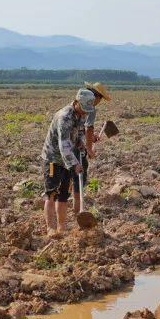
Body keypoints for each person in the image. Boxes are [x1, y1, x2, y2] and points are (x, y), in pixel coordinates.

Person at [41, 89, 96, 236]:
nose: (85, 113)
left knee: (64, 194)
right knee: (52, 193)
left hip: (68, 159)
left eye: (87, 111)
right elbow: (64, 144)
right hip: (54, 158)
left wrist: (82, 144)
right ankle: (50, 228)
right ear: (76, 102)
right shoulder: (64, 117)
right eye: (84, 109)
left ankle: (62, 227)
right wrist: (75, 163)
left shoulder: (81, 115)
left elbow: (78, 134)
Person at [72, 82, 112, 214]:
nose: (99, 102)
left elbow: (82, 128)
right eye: (100, 99)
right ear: (97, 97)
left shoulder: (77, 102)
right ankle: (78, 209)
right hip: (76, 145)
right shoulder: (91, 108)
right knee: (80, 173)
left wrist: (92, 137)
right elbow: (88, 128)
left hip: (69, 142)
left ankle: (69, 203)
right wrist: (89, 148)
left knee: (69, 173)